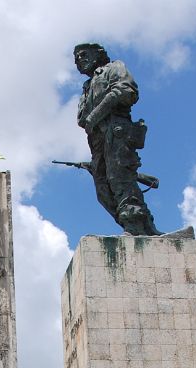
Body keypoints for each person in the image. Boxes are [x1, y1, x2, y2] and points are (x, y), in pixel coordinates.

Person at [74, 43, 160, 236]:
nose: (80, 60)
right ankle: (140, 225)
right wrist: (91, 118)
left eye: (84, 55)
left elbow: (126, 90)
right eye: (76, 58)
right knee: (103, 189)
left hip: (117, 132)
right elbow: (81, 119)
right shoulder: (87, 86)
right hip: (97, 141)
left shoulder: (114, 68)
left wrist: (96, 114)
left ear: (98, 54)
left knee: (119, 179)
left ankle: (135, 225)